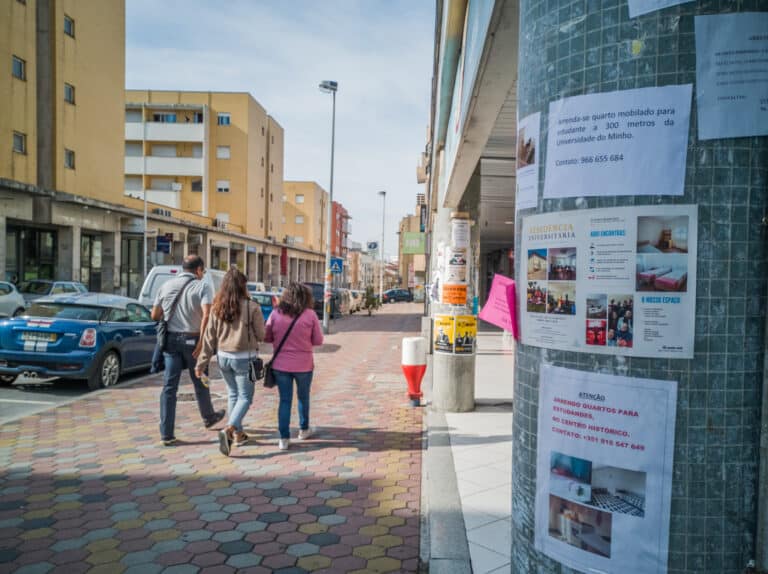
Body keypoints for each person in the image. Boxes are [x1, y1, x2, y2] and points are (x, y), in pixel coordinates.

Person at [151, 255, 224, 446]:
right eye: (203, 271)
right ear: (199, 269)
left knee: (169, 386)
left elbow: (155, 314)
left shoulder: (166, 286)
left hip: (171, 341)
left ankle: (166, 433)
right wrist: (201, 341)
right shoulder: (202, 286)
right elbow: (207, 314)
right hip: (193, 339)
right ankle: (208, 416)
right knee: (200, 380)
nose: (203, 274)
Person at [195, 268, 265, 456]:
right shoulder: (252, 307)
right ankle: (229, 429)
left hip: (223, 358)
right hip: (244, 358)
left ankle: (238, 434)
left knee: (233, 394)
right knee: (245, 397)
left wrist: (201, 363)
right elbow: (262, 334)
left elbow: (209, 337)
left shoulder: (218, 306)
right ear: (243, 286)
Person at [264, 282, 323, 451]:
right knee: (303, 398)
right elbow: (318, 341)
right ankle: (303, 430)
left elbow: (267, 337)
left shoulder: (276, 313)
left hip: (281, 366)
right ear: (306, 297)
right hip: (304, 365)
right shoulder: (310, 315)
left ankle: (283, 438)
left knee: (284, 400)